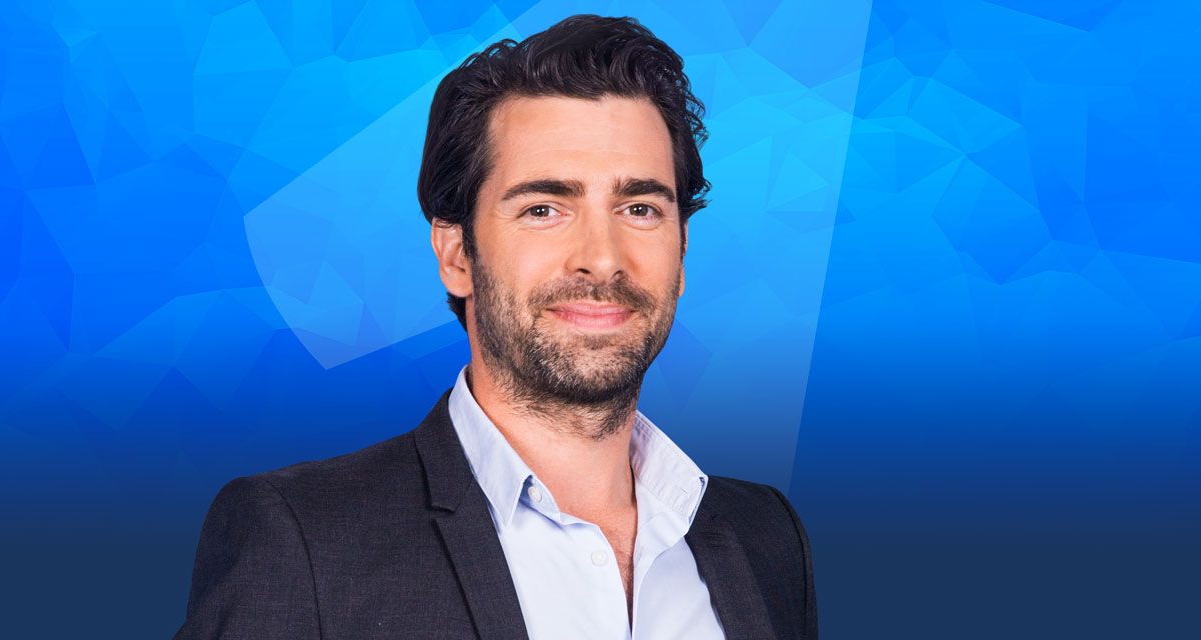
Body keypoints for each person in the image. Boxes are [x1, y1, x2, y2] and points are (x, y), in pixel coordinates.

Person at [175, 14, 816, 640]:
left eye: (640, 208)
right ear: (457, 254)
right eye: (543, 208)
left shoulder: (765, 537)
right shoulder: (302, 541)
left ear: (681, 250)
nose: (603, 258)